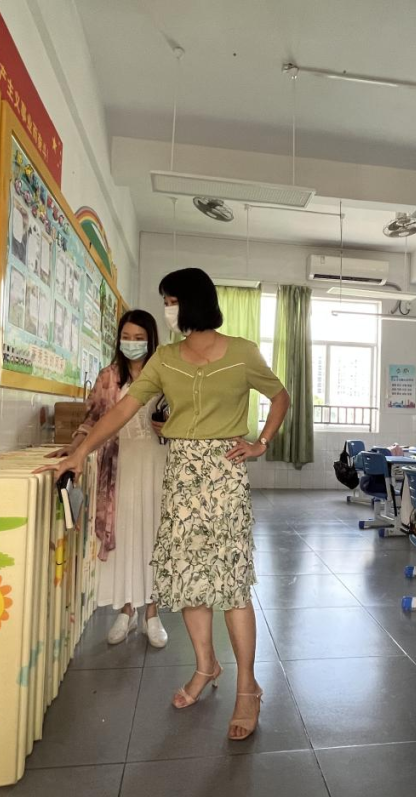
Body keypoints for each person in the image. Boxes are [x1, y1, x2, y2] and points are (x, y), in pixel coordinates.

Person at [37, 268, 290, 742]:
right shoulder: (166, 358)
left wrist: (262, 442)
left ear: (192, 302)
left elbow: (280, 396)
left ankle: (248, 687)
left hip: (224, 473)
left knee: (231, 583)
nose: (167, 310)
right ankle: (205, 666)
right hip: (181, 474)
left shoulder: (242, 352)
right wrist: (79, 451)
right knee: (188, 578)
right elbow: (121, 410)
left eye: (170, 301)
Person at [48, 310, 169, 648]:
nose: (132, 343)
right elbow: (91, 420)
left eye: (139, 338)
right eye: (126, 337)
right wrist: (75, 448)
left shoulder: (164, 375)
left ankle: (152, 614)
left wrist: (169, 426)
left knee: (154, 535)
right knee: (124, 535)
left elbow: (180, 418)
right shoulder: (109, 377)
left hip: (157, 464)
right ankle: (127, 611)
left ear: (151, 340)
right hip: (119, 467)